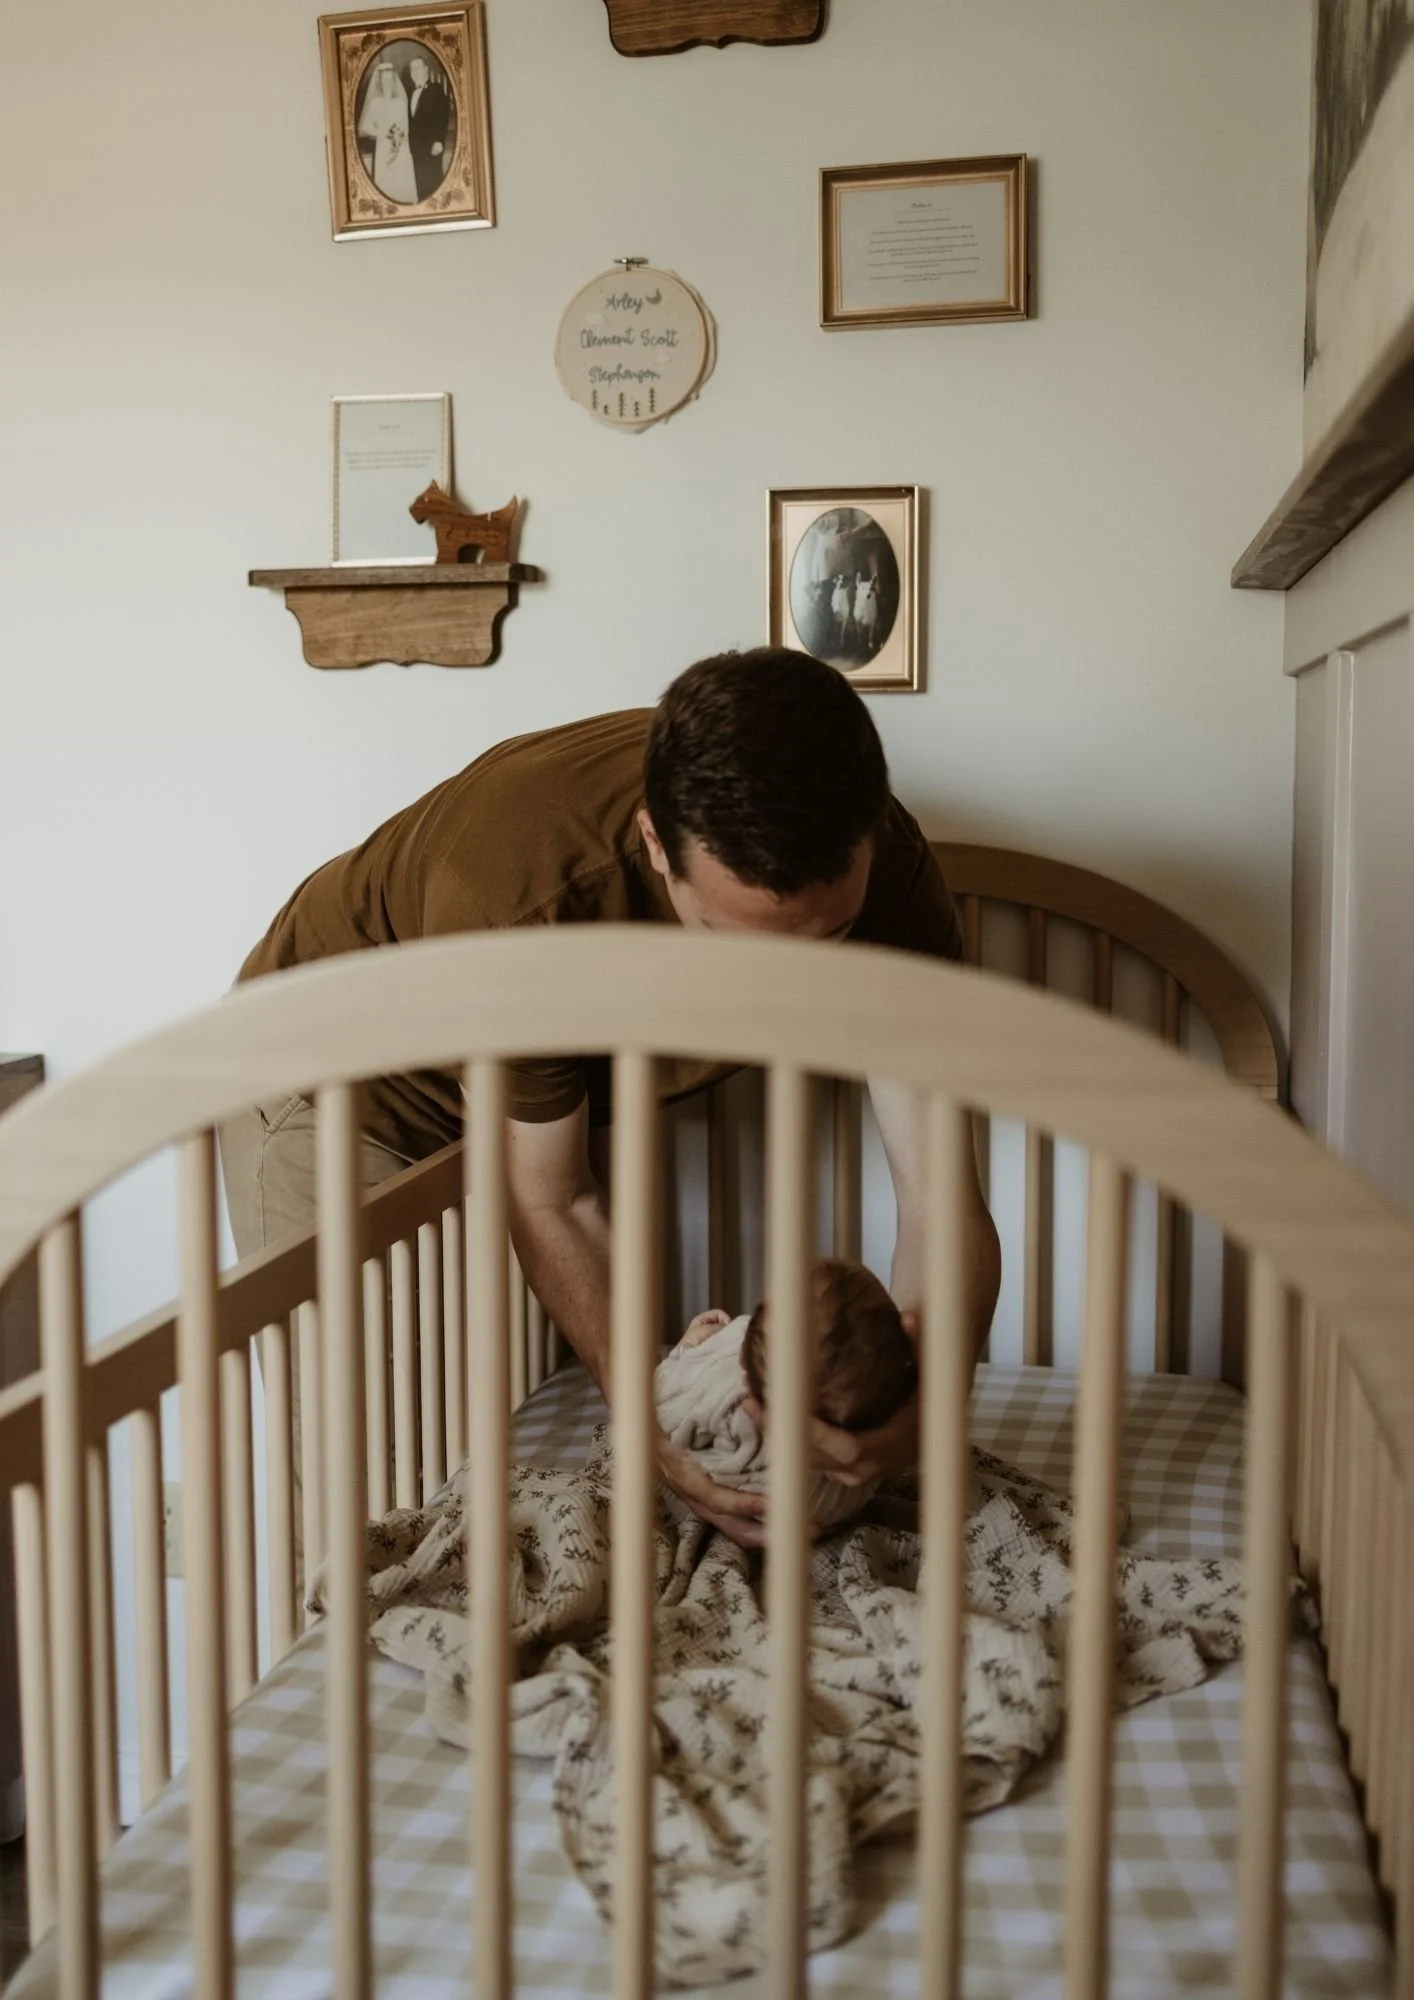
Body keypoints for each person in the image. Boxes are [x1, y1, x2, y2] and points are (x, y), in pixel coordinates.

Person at [219, 648, 1001, 1546]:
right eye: (740, 944)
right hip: (343, 1080)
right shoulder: (525, 899)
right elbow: (554, 1195)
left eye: (833, 936)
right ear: (656, 846)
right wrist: (651, 1425)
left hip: (502, 1109)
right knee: (380, 1483)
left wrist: (929, 1396)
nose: (795, 991)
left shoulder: (894, 878)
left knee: (507, 1438)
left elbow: (940, 1199)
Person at [654, 1259, 920, 1533]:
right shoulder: (873, 1436)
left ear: (744, 1364)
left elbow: (662, 1405)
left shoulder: (728, 1393)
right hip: (823, 1518)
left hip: (734, 1496)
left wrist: (686, 1349)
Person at [357, 61, 417, 205]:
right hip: (383, 148)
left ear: (394, 81)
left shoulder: (401, 103)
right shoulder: (375, 103)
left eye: (391, 79)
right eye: (385, 79)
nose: (388, 83)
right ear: (380, 82)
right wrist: (382, 131)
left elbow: (406, 129)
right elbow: (363, 128)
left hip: (401, 149)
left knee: (402, 183)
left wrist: (401, 140)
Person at [406, 53, 451, 201]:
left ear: (426, 69)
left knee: (434, 189)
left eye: (418, 67)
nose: (415, 71)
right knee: (420, 189)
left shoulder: (436, 89)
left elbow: (442, 116)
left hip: (431, 148)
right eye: (412, 69)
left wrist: (439, 141)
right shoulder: (409, 93)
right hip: (415, 151)